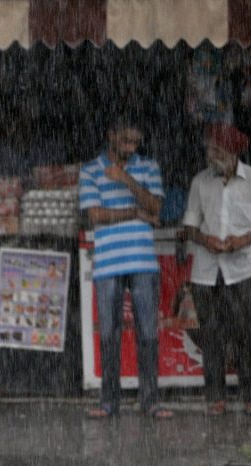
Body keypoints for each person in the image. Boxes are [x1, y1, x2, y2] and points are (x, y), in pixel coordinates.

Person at [78, 114, 172, 419]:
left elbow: (156, 207)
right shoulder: (90, 170)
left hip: (143, 261)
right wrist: (135, 212)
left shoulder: (148, 167)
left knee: (147, 334)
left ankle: (150, 401)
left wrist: (126, 179)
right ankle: (109, 402)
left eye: (135, 142)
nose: (130, 147)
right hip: (108, 263)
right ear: (111, 135)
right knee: (109, 335)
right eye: (125, 140)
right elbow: (95, 215)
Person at [181, 124, 251, 416]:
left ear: (233, 152)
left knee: (247, 335)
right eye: (209, 149)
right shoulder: (200, 182)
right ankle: (216, 398)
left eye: (216, 150)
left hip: (243, 270)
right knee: (211, 336)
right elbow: (189, 225)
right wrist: (204, 239)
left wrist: (242, 241)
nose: (210, 155)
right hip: (207, 273)